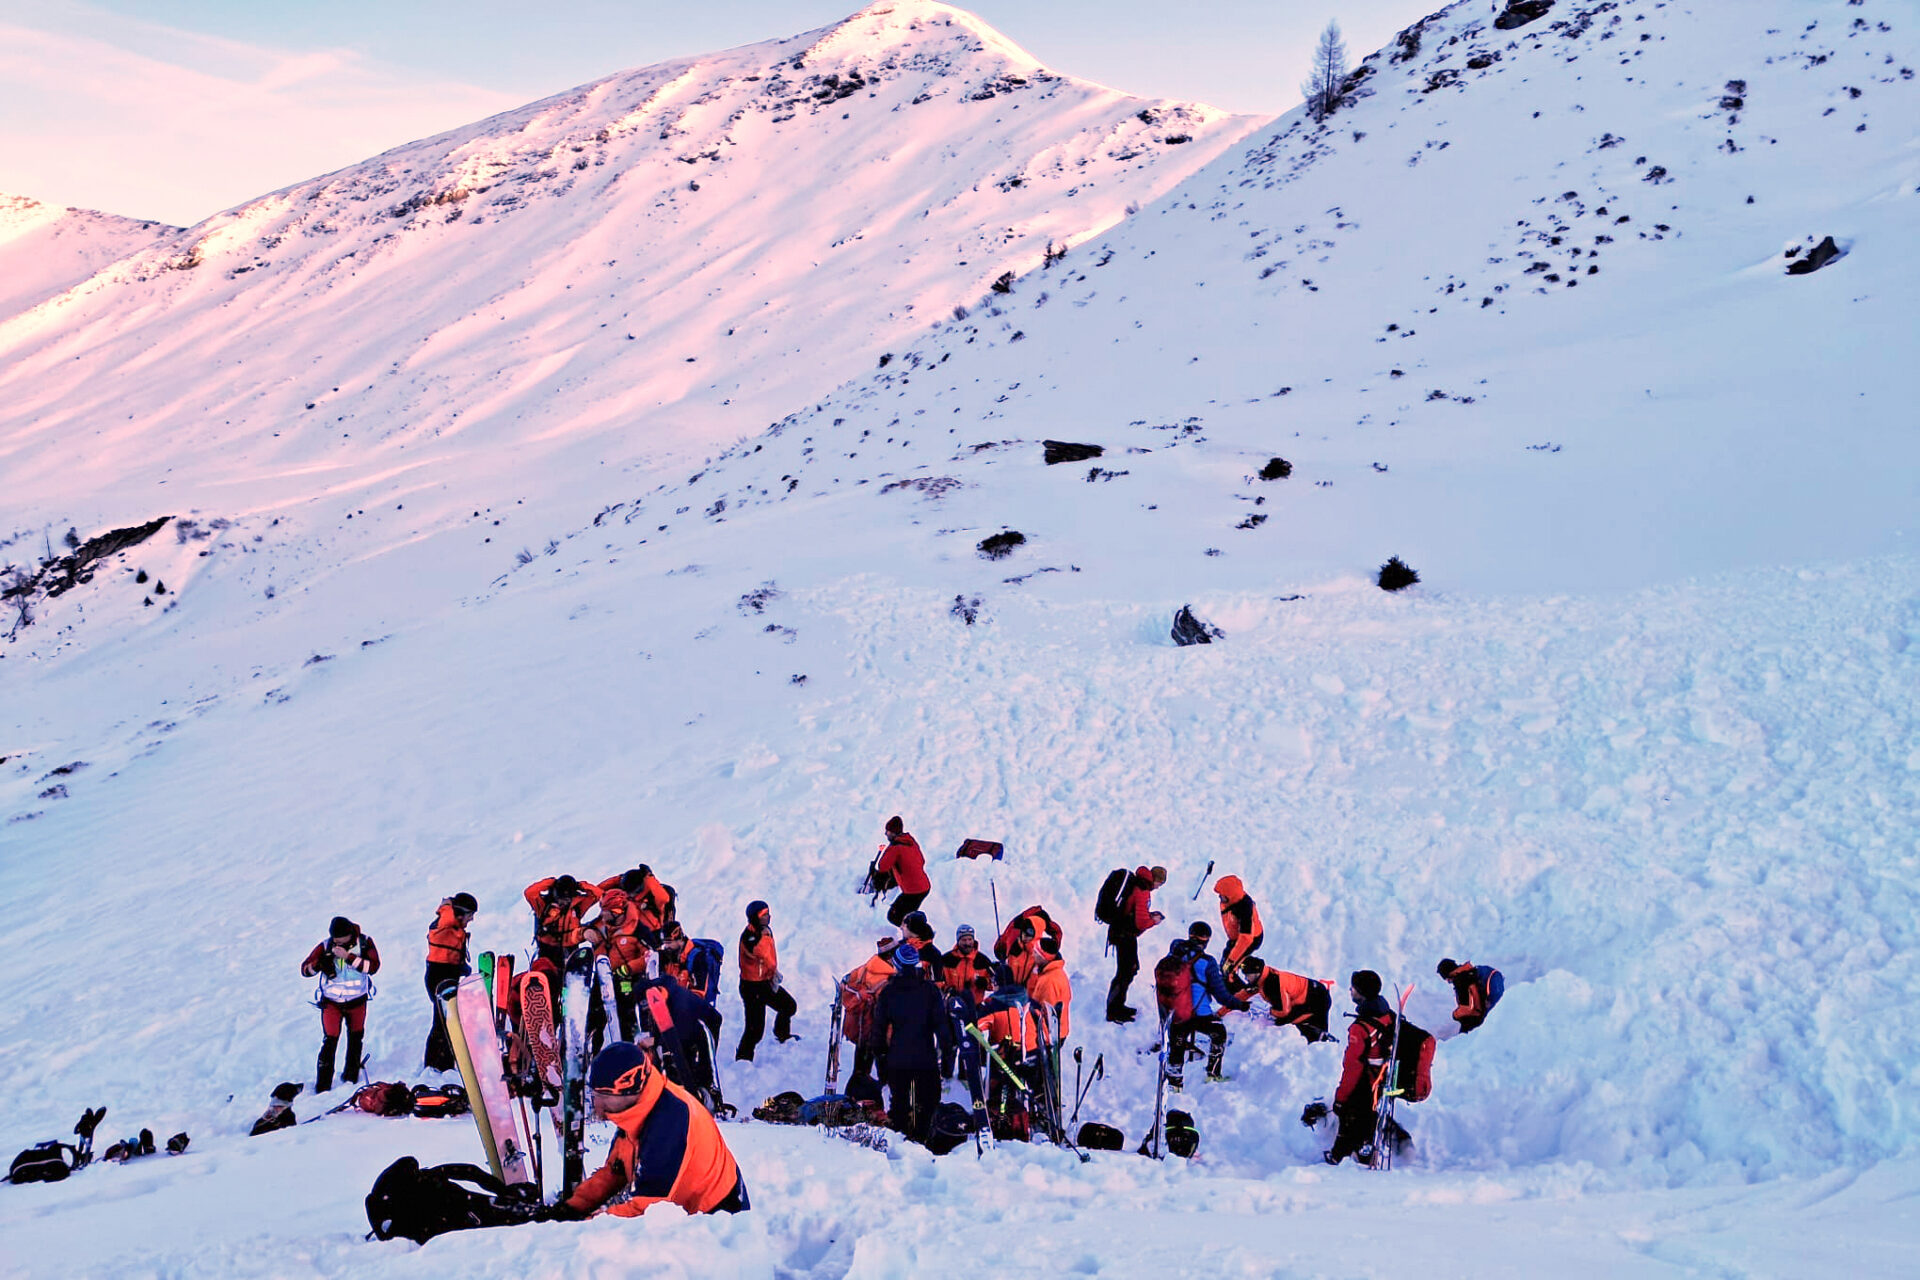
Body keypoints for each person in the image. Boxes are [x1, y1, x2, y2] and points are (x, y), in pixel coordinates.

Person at [545, 1042, 747, 1220]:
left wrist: (587, 1224)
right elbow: (615, 1172)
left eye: (604, 1096)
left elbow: (646, 1210)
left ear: (629, 1089)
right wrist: (572, 1208)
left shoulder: (668, 1123)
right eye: (594, 1095)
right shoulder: (640, 1108)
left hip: (719, 1220)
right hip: (686, 1212)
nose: (596, 1105)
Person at [873, 945, 954, 1143]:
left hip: (897, 1059)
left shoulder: (888, 992)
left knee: (899, 1106)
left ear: (897, 965)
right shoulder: (930, 990)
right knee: (928, 1105)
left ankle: (899, 1145)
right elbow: (942, 1027)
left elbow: (879, 1030)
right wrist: (947, 1057)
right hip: (925, 1058)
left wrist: (881, 1061)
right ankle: (923, 1142)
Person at [1326, 969, 1408, 1166]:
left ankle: (1342, 1156)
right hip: (1383, 1078)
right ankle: (1367, 1150)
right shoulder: (1387, 1014)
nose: (1350, 990)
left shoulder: (1360, 1028)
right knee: (1369, 1116)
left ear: (1361, 993)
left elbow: (1352, 1067)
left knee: (1348, 1113)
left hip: (1367, 1081)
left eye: (1353, 988)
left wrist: (1341, 1097)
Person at [299, 916, 381, 1093]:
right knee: (329, 1041)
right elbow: (305, 970)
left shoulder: (364, 943)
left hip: (357, 1002)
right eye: (335, 940)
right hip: (331, 1003)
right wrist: (319, 964)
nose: (337, 943)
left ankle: (351, 1077)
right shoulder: (326, 945)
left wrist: (348, 957)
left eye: (341, 940)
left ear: (350, 935)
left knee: (355, 1039)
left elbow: (373, 967)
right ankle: (323, 1086)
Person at [1165, 923, 1247, 1088]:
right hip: (1201, 1015)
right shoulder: (1208, 962)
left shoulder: (1175, 953)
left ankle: (1175, 1084)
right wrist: (1240, 1005)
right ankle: (1213, 1073)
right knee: (1219, 1033)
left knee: (1177, 1045)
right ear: (1206, 941)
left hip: (1178, 1015)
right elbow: (1221, 995)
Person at [635, 969, 724, 1109]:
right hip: (683, 1028)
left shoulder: (678, 1005)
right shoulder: (655, 996)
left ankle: (707, 1101)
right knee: (674, 1063)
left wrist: (656, 1041)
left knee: (699, 1069)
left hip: (702, 1028)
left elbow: (677, 1039)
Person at [736, 900, 797, 1061]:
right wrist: (764, 936)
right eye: (764, 915)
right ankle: (743, 1058)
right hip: (752, 987)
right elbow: (761, 953)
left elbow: (767, 959)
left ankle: (782, 1034)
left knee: (788, 1006)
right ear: (755, 918)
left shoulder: (764, 931)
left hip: (765, 983)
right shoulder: (751, 937)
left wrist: (772, 974)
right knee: (755, 1030)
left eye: (768, 914)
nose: (769, 917)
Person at [423, 892, 477, 1071]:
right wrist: (448, 906)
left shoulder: (452, 926)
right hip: (439, 977)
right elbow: (446, 916)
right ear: (459, 913)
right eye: (470, 915)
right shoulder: (444, 924)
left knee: (449, 1019)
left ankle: (444, 1062)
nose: (472, 920)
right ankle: (436, 1065)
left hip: (448, 974)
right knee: (443, 1021)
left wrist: (461, 967)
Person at [1106, 866, 1166, 1023]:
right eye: (1159, 884)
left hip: (1121, 932)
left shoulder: (1138, 884)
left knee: (1128, 969)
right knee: (1126, 971)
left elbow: (1136, 913)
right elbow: (1140, 923)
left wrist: (1149, 916)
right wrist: (1153, 921)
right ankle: (1114, 1010)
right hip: (1125, 935)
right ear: (1156, 880)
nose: (1157, 888)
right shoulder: (1143, 890)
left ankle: (1118, 1005)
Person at [841, 938, 900, 1087]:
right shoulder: (886, 979)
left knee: (860, 1070)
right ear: (891, 956)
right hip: (876, 1032)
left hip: (863, 1030)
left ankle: (855, 1091)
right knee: (884, 1071)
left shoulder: (867, 967)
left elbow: (845, 982)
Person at [1232, 958, 1335, 1042]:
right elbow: (1243, 995)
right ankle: (1322, 1039)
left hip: (1318, 1000)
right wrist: (1226, 1006)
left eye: (1247, 975)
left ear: (1256, 973)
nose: (1246, 978)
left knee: (1285, 1023)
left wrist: (1271, 1011)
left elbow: (1284, 1011)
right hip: (1315, 992)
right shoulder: (1264, 977)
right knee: (1290, 1020)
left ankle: (1321, 1040)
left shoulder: (1272, 984)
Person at [939, 924, 993, 1079]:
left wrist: (984, 983)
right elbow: (938, 981)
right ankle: (946, 1073)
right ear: (958, 941)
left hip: (973, 1009)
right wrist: (947, 989)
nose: (967, 943)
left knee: (969, 1042)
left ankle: (966, 1074)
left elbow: (994, 983)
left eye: (970, 939)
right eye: (964, 940)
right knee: (949, 1042)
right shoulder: (947, 960)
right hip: (951, 1009)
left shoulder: (982, 961)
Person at [524, 875, 600, 969]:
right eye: (560, 898)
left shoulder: (578, 906)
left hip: (570, 949)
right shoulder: (543, 906)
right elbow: (529, 893)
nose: (562, 902)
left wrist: (580, 885)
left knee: (569, 974)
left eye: (566, 899)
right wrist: (551, 882)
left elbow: (598, 894)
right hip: (547, 950)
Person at [875, 816, 930, 926]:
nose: (885, 834)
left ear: (893, 832)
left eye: (887, 831)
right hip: (924, 886)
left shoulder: (895, 847)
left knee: (895, 917)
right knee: (907, 917)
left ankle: (916, 935)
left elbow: (882, 866)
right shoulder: (910, 841)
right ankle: (914, 933)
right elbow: (922, 861)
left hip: (913, 891)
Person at [1213, 876, 1264, 979]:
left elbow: (1246, 939)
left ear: (1230, 896)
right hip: (1238, 938)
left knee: (1228, 967)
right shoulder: (1232, 901)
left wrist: (1231, 961)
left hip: (1250, 940)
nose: (1220, 898)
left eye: (1222, 896)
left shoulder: (1244, 910)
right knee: (1227, 959)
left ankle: (1234, 981)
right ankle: (1239, 967)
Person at [1437, 958, 1504, 1033]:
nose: (1449, 982)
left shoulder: (1461, 980)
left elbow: (1469, 1008)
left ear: (1449, 974)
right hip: (1486, 1011)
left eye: (1447, 980)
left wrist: (1455, 1014)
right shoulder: (1470, 971)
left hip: (1476, 1019)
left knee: (1465, 1039)